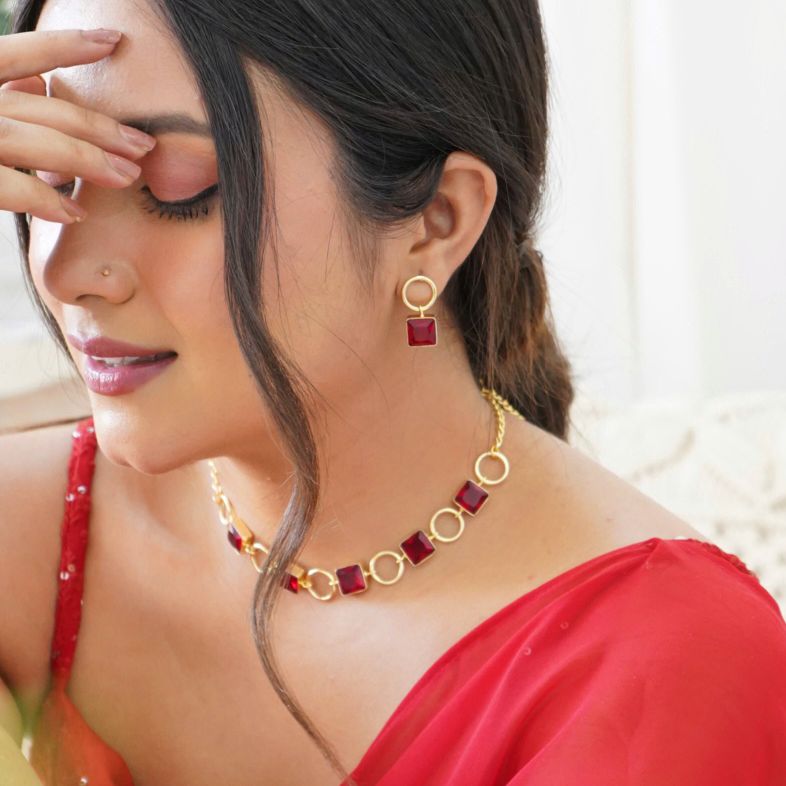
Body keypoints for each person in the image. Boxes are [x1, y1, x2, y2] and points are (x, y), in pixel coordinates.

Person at [0, 2, 784, 785]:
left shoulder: (664, 665)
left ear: (437, 221)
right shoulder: (31, 538)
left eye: (178, 190)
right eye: (50, 176)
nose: (65, 271)